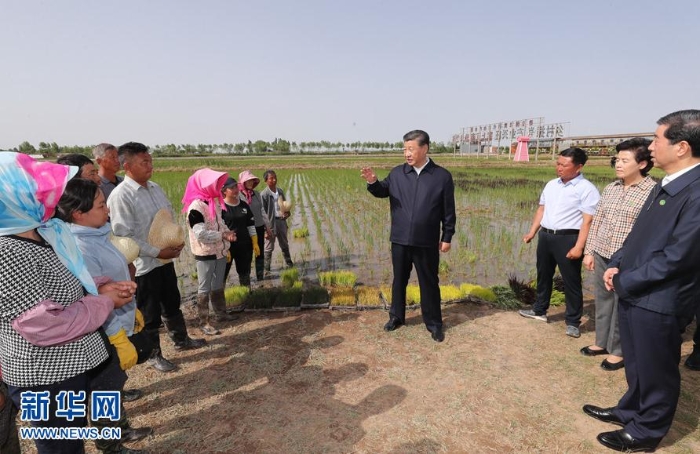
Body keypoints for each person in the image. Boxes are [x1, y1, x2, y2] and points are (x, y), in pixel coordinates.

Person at [0, 152, 137, 454]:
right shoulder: (7, 252)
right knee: (60, 447)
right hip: (43, 377)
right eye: (39, 190)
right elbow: (43, 325)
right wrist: (104, 302)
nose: (50, 196)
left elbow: (68, 280)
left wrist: (101, 284)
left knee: (71, 442)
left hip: (70, 368)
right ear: (15, 197)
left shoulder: (43, 232)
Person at [584, 110, 700, 452]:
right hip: (637, 289)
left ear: (681, 147)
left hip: (661, 298)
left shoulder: (695, 192)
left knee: (657, 369)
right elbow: (638, 235)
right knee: (637, 361)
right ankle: (630, 409)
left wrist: (627, 280)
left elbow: (679, 257)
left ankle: (646, 431)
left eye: (656, 139)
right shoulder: (667, 184)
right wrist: (617, 263)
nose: (650, 146)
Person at [56, 178, 155, 450]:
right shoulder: (82, 247)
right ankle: (111, 445)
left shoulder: (98, 234)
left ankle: (120, 429)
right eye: (101, 206)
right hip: (102, 331)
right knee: (104, 390)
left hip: (115, 321)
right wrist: (117, 336)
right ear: (79, 213)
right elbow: (94, 297)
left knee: (113, 385)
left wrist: (129, 311)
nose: (107, 210)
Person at [107, 142, 206, 373]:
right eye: (145, 162)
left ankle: (181, 340)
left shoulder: (156, 188)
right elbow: (124, 237)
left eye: (150, 161)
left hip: (164, 261)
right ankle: (154, 355)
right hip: (143, 266)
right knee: (149, 314)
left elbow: (167, 222)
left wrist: (173, 243)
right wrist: (157, 251)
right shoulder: (121, 196)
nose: (150, 165)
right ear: (127, 165)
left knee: (172, 303)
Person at [361, 130, 456, 343]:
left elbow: (448, 210)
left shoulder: (441, 177)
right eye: (404, 149)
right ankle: (396, 317)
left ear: (425, 148)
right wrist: (373, 182)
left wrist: (447, 235)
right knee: (399, 280)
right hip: (400, 239)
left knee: (429, 282)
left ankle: (434, 324)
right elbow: (382, 190)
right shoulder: (397, 174)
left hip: (427, 241)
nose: (407, 153)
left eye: (411, 148)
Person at [581, 139, 656, 372]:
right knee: (603, 299)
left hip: (629, 259)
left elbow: (650, 231)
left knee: (623, 303)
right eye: (617, 160)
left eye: (625, 160)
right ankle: (601, 342)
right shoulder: (611, 188)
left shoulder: (652, 192)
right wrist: (589, 251)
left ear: (642, 163)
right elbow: (598, 221)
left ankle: (618, 350)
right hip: (603, 251)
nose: (619, 165)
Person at [519, 148, 600, 338]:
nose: (559, 168)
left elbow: (588, 221)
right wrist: (532, 232)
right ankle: (540, 310)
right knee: (543, 275)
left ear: (579, 167)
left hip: (568, 238)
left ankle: (573, 322)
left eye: (564, 165)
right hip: (546, 236)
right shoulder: (551, 185)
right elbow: (541, 210)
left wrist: (579, 246)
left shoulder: (587, 189)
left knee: (571, 281)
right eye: (558, 163)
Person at [182, 169, 237, 336]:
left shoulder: (213, 202)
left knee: (217, 284)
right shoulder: (196, 208)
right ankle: (204, 322)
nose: (218, 187)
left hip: (219, 251)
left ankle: (221, 314)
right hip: (205, 253)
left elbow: (221, 224)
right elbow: (200, 234)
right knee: (204, 287)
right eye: (214, 184)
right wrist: (223, 235)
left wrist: (229, 233)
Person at [222, 177, 259, 287]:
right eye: (231, 188)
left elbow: (250, 225)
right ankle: (220, 300)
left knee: (244, 273)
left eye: (236, 187)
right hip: (228, 247)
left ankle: (246, 295)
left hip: (244, 245)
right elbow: (219, 229)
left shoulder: (244, 205)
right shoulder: (221, 208)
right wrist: (224, 248)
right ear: (224, 191)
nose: (235, 189)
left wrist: (255, 242)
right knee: (222, 274)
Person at [238, 170, 272, 282]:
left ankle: (260, 276)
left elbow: (262, 211)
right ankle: (246, 279)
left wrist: (268, 227)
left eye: (252, 180)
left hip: (258, 227)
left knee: (259, 253)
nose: (250, 183)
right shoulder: (238, 196)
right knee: (247, 254)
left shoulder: (257, 194)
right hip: (245, 230)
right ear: (242, 182)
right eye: (248, 181)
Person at [260, 170, 294, 275]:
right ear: (266, 180)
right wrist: (265, 230)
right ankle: (266, 269)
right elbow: (262, 213)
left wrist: (287, 213)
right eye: (271, 178)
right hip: (270, 223)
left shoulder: (280, 191)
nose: (274, 180)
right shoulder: (264, 194)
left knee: (284, 243)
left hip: (281, 221)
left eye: (275, 177)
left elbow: (284, 205)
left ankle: (289, 264)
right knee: (269, 246)